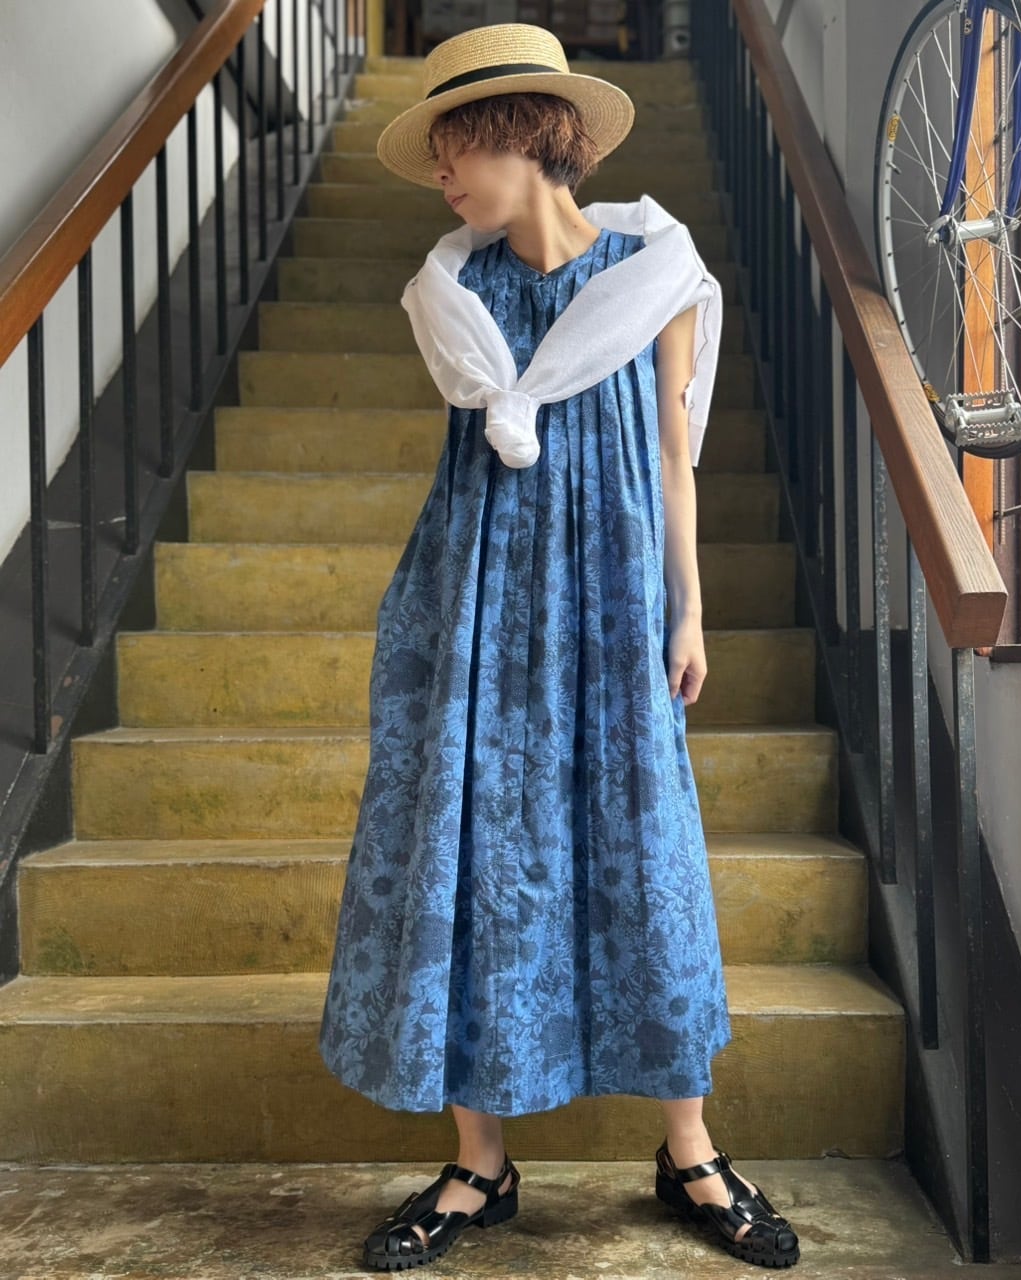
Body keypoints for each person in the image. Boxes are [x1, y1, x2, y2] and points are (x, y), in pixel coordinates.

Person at [315, 21, 801, 1272]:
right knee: (466, 847)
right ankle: (478, 1162)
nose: (440, 176)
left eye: (454, 149)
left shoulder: (656, 276)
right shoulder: (454, 297)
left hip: (610, 594)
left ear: (523, 138)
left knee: (642, 843)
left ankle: (688, 1148)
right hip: (477, 595)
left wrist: (688, 609)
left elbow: (673, 458)